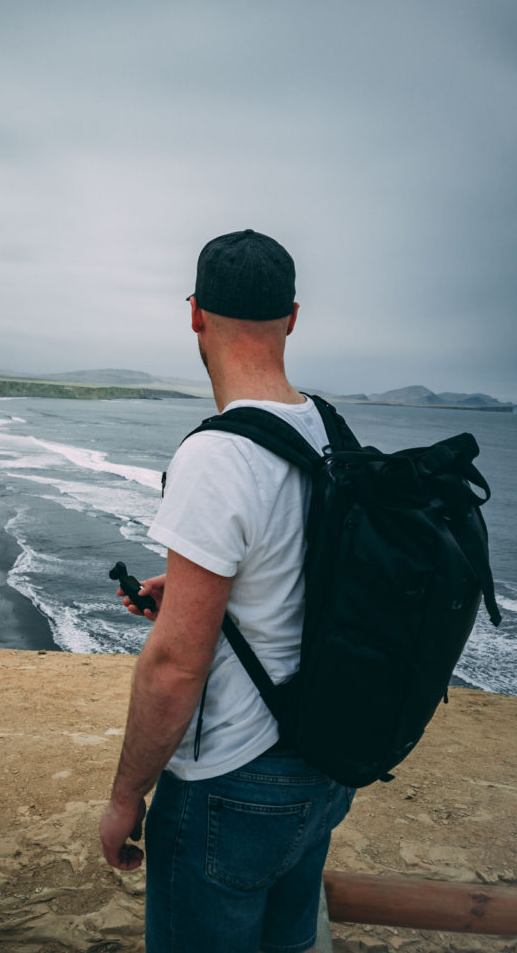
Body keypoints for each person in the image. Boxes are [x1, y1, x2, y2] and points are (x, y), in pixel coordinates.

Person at [98, 229, 354, 953]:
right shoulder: (330, 430)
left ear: (195, 315)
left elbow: (176, 665)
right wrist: (187, 588)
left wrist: (125, 799)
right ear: (293, 317)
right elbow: (302, 572)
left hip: (231, 784)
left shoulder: (215, 455)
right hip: (320, 769)